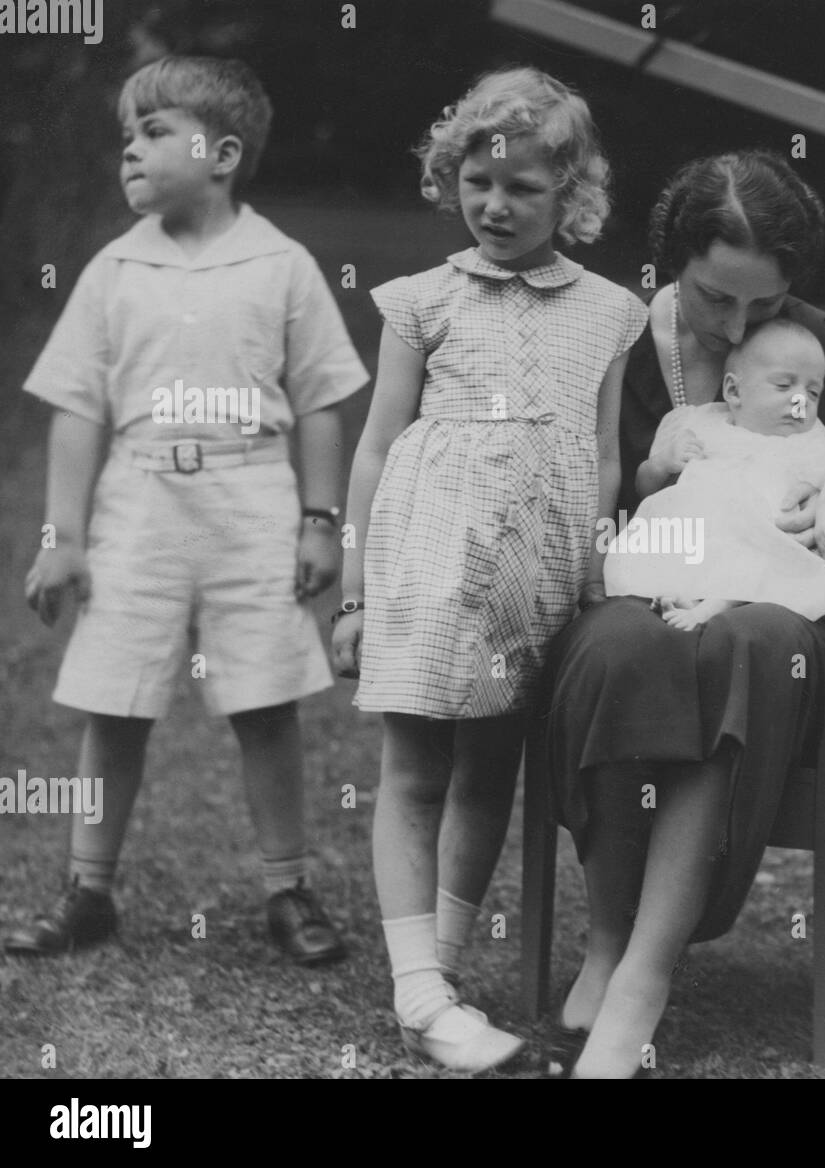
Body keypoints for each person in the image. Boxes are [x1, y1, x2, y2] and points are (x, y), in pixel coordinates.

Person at [540, 150, 825, 1078]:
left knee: (740, 643)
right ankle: (608, 941)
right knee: (619, 643)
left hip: (792, 643)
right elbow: (597, 501)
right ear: (666, 264)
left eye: (763, 305)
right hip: (657, 602)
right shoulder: (613, 341)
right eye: (714, 298)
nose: (738, 326)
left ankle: (646, 977)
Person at [6, 57, 368, 965]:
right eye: (126, 136)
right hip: (140, 503)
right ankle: (89, 889)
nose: (130, 149)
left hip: (250, 498)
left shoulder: (281, 264)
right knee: (114, 699)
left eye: (155, 132)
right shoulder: (113, 270)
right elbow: (78, 413)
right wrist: (67, 538)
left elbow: (322, 400)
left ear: (222, 152)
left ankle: (287, 886)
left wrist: (320, 521)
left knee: (267, 699)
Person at [330, 66, 647, 1074]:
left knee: (491, 772)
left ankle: (446, 967)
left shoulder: (607, 312)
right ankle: (419, 985)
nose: (496, 205)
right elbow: (376, 446)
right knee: (418, 768)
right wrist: (353, 591)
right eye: (478, 182)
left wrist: (595, 572)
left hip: (536, 573)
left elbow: (601, 454)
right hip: (428, 557)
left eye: (524, 188)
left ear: (572, 194)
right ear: (449, 177)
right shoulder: (422, 301)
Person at [604, 317, 825, 625]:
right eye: (784, 386)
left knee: (754, 563)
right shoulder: (699, 424)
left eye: (813, 393)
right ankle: (682, 595)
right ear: (734, 390)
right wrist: (662, 463)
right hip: (697, 538)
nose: (800, 400)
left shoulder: (809, 440)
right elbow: (646, 488)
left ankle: (710, 609)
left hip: (762, 540)